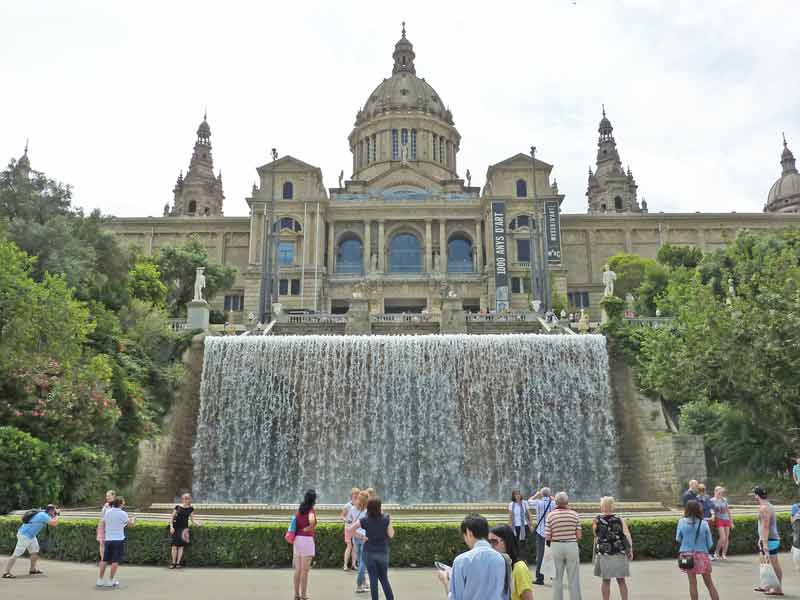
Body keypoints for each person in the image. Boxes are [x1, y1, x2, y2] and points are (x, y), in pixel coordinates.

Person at [437, 513, 508, 600]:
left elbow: (455, 597)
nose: (465, 540)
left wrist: (445, 580)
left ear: (469, 533)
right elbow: (505, 595)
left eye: (464, 536)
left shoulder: (461, 560)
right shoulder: (501, 559)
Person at [351, 497, 395, 600]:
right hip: (383, 552)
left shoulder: (364, 520)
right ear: (379, 507)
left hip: (369, 552)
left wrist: (362, 537)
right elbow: (391, 534)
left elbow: (350, 529)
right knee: (384, 578)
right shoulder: (386, 518)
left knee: (373, 579)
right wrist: (389, 521)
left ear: (368, 507)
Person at [2, 504, 60, 579]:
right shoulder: (43, 515)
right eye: (54, 511)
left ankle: (32, 569)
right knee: (16, 554)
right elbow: (54, 523)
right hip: (25, 536)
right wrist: (58, 515)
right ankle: (6, 572)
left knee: (35, 551)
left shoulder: (43, 514)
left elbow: (51, 519)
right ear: (51, 511)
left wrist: (55, 515)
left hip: (31, 536)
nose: (55, 512)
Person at [676, 499, 718, 600]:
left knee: (692, 583)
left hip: (687, 556)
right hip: (702, 555)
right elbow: (710, 543)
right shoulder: (703, 523)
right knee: (709, 583)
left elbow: (678, 538)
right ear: (698, 510)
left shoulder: (681, 522)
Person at [592, 496, 633, 600]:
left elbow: (595, 536)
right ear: (612, 506)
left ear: (602, 507)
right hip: (619, 553)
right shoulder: (620, 519)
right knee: (621, 580)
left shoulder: (596, 520)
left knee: (606, 581)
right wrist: (630, 550)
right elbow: (627, 535)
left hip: (604, 554)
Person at [545, 491, 583, 600]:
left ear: (556, 502)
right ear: (567, 501)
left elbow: (547, 536)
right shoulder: (575, 514)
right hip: (571, 545)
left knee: (557, 578)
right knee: (574, 578)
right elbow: (579, 536)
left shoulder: (551, 515)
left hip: (556, 546)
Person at [97, 497, 136, 588]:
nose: (124, 505)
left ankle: (100, 580)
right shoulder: (123, 513)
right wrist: (133, 520)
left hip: (108, 539)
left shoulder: (108, 512)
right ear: (120, 504)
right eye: (123, 503)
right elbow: (131, 525)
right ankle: (111, 580)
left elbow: (105, 522)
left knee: (104, 560)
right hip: (118, 540)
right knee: (115, 560)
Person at [490, 524, 533, 600]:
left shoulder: (519, 568)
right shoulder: (495, 565)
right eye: (489, 542)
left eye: (494, 542)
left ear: (507, 542)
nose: (491, 546)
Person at [753, 486, 783, 596]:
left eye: (754, 494)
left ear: (757, 495)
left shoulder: (764, 508)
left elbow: (766, 527)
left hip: (770, 540)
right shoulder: (767, 505)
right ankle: (766, 586)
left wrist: (764, 543)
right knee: (764, 562)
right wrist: (761, 539)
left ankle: (778, 589)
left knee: (774, 564)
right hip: (768, 539)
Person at [292, 490, 317, 600]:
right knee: (305, 571)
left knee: (297, 569)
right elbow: (311, 521)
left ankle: (296, 594)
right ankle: (303, 595)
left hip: (297, 540)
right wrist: (308, 528)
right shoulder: (311, 510)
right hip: (307, 540)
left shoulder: (300, 509)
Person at [529, 486, 554, 585]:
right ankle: (553, 576)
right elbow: (561, 502)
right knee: (551, 554)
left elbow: (529, 501)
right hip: (551, 533)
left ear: (542, 494)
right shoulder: (553, 503)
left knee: (540, 555)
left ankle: (540, 579)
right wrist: (552, 497)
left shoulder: (538, 503)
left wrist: (536, 495)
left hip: (540, 532)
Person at [170, 492, 202, 569]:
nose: (185, 499)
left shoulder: (191, 509)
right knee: (174, 546)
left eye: (187, 498)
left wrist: (198, 524)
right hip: (176, 528)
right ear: (182, 499)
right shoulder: (177, 507)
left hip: (184, 529)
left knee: (181, 547)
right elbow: (171, 518)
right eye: (184, 498)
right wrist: (171, 527)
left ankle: (178, 563)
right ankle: (173, 563)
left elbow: (193, 520)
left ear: (190, 499)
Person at [350, 491, 370, 594]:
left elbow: (350, 522)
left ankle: (364, 582)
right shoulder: (368, 511)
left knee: (359, 561)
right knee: (363, 562)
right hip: (364, 537)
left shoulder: (352, 509)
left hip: (355, 536)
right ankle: (359, 585)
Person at [508, 489, 533, 563]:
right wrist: (509, 526)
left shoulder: (524, 503)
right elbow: (510, 516)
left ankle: (524, 560)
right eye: (516, 494)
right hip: (515, 526)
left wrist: (531, 525)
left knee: (523, 543)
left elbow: (529, 514)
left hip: (524, 526)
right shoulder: (511, 504)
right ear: (513, 496)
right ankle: (516, 560)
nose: (517, 496)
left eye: (518, 494)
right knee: (515, 543)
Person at [710, 486, 733, 560]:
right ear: (715, 492)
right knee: (722, 537)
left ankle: (723, 554)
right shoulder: (712, 500)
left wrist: (731, 521)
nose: (720, 494)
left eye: (721, 492)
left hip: (726, 519)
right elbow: (711, 510)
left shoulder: (724, 500)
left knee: (726, 538)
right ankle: (716, 553)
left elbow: (728, 511)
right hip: (719, 519)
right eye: (719, 492)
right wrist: (712, 515)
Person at [341, 488, 361, 571]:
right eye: (355, 494)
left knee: (355, 547)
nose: (356, 496)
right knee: (349, 546)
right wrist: (347, 520)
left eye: (357, 494)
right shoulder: (347, 505)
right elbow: (342, 516)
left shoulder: (360, 505)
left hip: (356, 529)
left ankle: (353, 564)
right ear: (352, 495)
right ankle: (345, 565)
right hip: (349, 528)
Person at [97, 490, 116, 562]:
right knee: (102, 543)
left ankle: (111, 559)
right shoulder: (106, 505)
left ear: (113, 496)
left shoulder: (116, 505)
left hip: (111, 526)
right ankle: (103, 560)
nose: (107, 497)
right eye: (106, 496)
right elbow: (102, 515)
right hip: (102, 525)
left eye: (109, 496)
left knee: (111, 544)